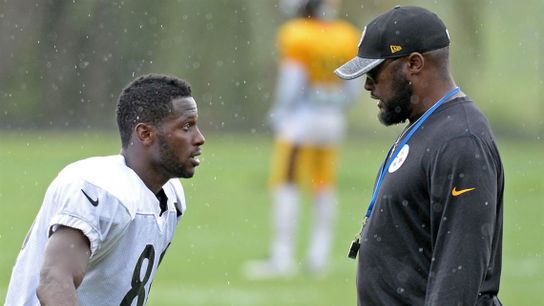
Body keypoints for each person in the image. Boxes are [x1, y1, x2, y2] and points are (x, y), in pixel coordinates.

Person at [335, 6, 504, 305]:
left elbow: (459, 276)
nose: (368, 85)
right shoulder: (428, 125)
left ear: (414, 63)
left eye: (374, 72)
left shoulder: (461, 141)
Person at [5, 74, 205, 305]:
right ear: (145, 134)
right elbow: (54, 282)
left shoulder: (171, 197)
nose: (199, 138)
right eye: (187, 127)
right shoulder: (100, 187)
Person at [244, 0, 361, 279]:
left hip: (302, 117)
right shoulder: (345, 34)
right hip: (333, 118)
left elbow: (292, 81)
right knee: (323, 185)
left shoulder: (297, 33)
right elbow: (353, 86)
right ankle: (319, 256)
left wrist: (279, 111)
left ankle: (282, 255)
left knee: (286, 182)